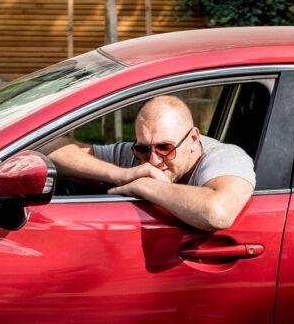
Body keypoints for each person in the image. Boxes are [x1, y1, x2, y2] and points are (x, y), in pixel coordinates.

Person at [48, 95, 256, 231]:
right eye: (143, 148)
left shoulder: (227, 157)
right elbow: (48, 147)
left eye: (165, 148)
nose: (153, 160)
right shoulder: (134, 157)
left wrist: (146, 186)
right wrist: (119, 175)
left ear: (193, 139)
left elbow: (217, 213)